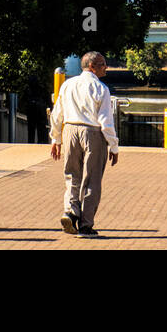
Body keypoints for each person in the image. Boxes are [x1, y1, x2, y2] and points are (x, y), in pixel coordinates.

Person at [49, 51, 119, 237]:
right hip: (92, 132)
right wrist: (113, 146)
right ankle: (86, 225)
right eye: (102, 64)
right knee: (92, 179)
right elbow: (106, 121)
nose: (106, 67)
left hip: (70, 130)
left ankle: (71, 212)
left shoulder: (67, 85)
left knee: (72, 175)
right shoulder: (101, 88)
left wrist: (56, 139)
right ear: (92, 67)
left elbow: (57, 114)